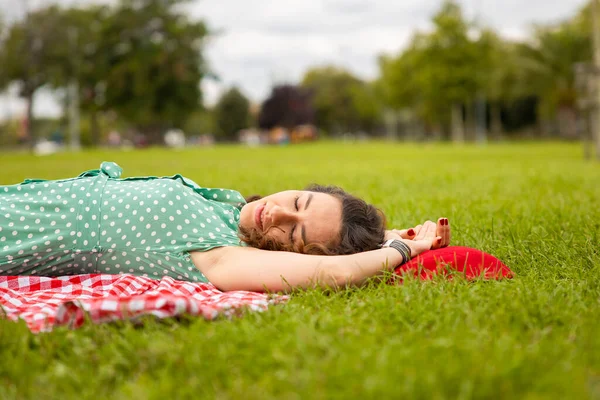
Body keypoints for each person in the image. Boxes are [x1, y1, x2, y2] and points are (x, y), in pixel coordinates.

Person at [0, 162, 450, 292]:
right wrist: (393, 233)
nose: (277, 213)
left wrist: (402, 253)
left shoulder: (222, 254)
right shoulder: (226, 209)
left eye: (293, 234)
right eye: (298, 201)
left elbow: (334, 272)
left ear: (291, 257)